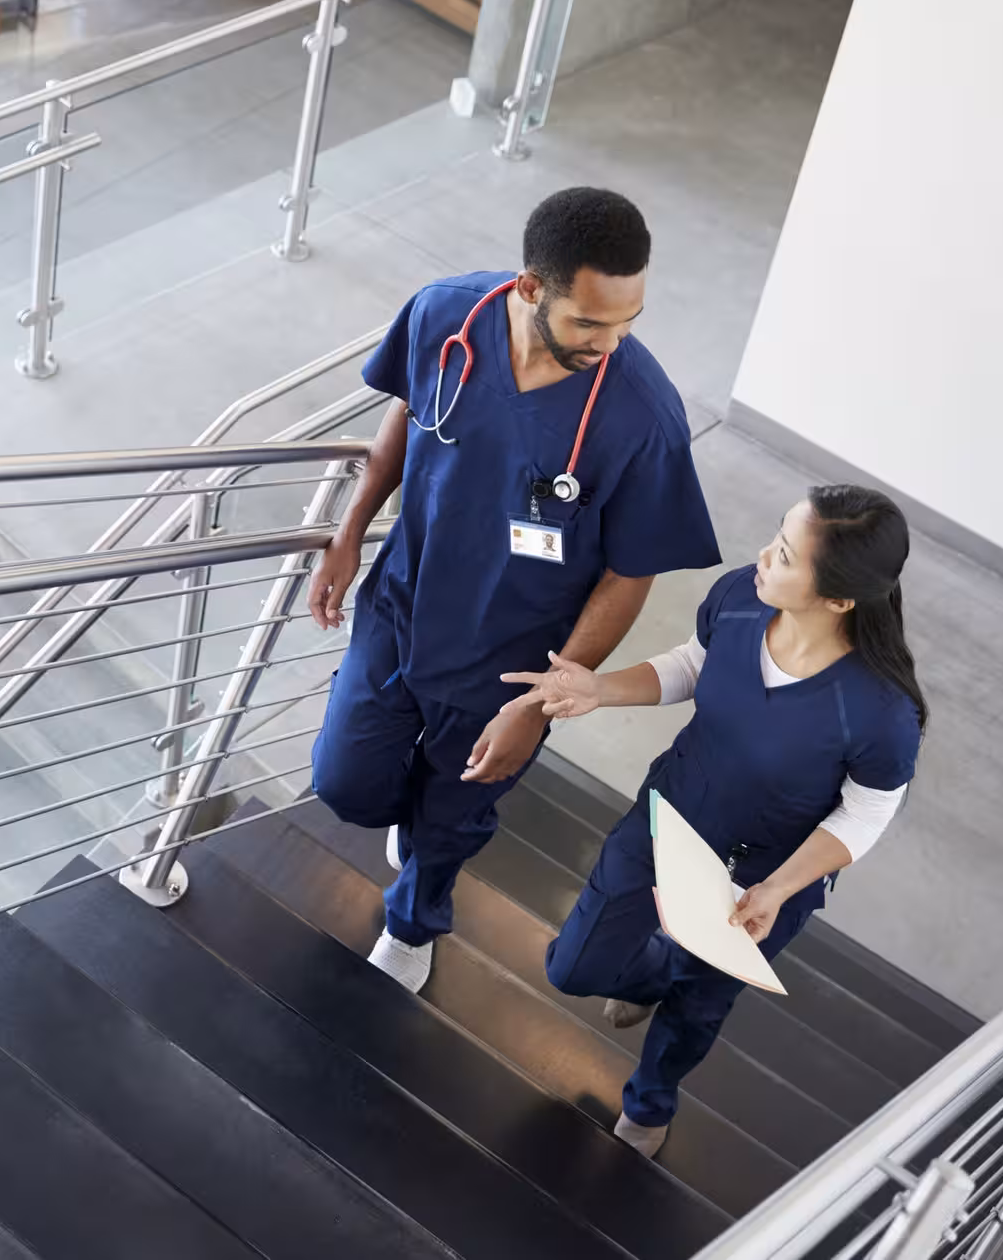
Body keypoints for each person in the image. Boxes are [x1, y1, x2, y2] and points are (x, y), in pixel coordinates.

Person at [305, 186, 722, 994]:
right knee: (346, 784)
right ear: (532, 288)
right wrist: (350, 530)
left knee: (451, 821)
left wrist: (542, 700)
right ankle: (411, 820)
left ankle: (413, 918)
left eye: (629, 321)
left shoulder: (642, 418)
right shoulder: (443, 317)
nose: (611, 342)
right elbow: (406, 416)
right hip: (402, 611)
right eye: (589, 323)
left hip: (512, 664)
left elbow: (630, 572)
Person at [505, 485, 927, 1158]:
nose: (763, 556)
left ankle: (650, 1101)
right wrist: (601, 687)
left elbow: (868, 810)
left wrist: (780, 889)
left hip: (761, 881)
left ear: (840, 599)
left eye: (785, 555)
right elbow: (696, 665)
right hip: (672, 815)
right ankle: (651, 975)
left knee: (700, 1004)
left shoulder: (880, 714)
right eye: (776, 537)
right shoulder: (741, 596)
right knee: (573, 965)